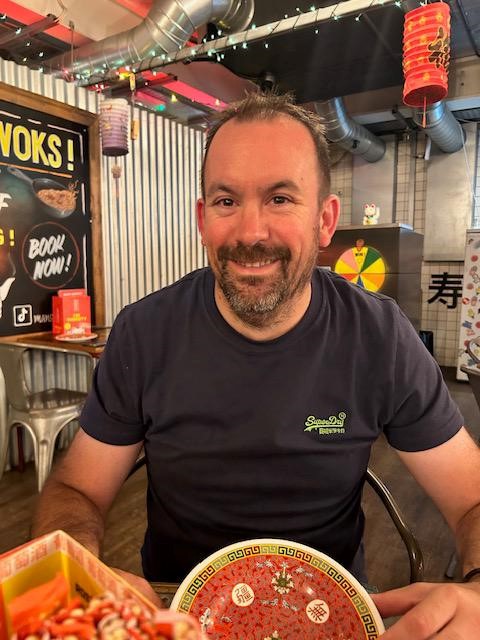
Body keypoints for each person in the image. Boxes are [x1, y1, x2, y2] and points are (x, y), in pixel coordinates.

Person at [33, 93, 480, 637]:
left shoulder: (380, 337)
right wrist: (86, 570)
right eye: (226, 201)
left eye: (280, 199)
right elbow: (76, 490)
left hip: (328, 612)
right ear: (202, 219)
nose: (250, 233)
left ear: (325, 221)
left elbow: (471, 498)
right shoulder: (144, 334)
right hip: (175, 609)